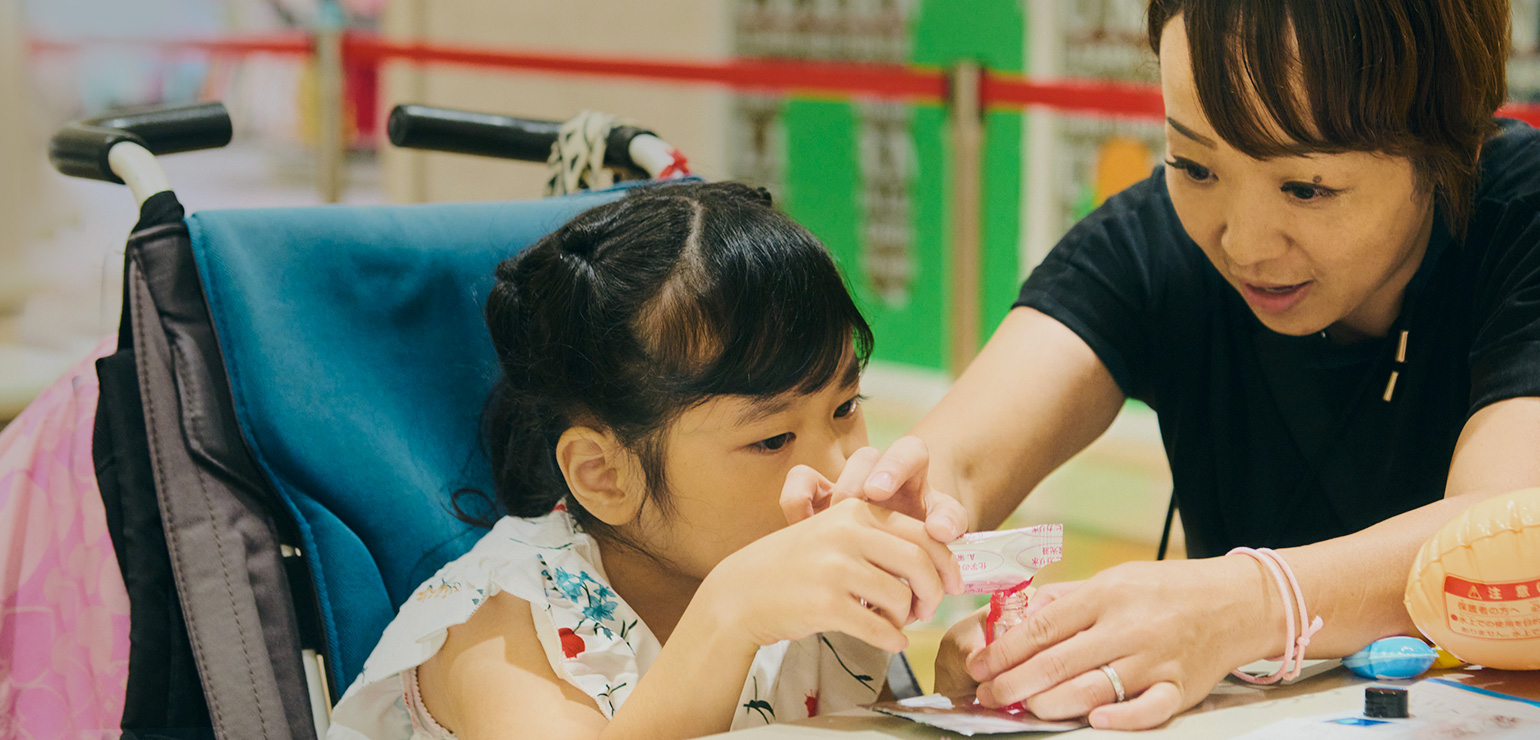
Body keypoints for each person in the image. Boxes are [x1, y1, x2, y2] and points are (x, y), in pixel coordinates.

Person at [785, 0, 1540, 730]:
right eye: (1195, 164)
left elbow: (1504, 538)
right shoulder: (1154, 239)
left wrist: (1246, 606)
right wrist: (900, 531)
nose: (1243, 244)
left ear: (1454, 142)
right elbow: (961, 464)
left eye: (1306, 187)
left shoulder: (1522, 215)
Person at [326, 182, 962, 740]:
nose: (836, 465)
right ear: (604, 474)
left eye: (846, 406)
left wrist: (961, 703)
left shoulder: (810, 593)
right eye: (771, 440)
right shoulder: (504, 626)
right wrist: (728, 615)